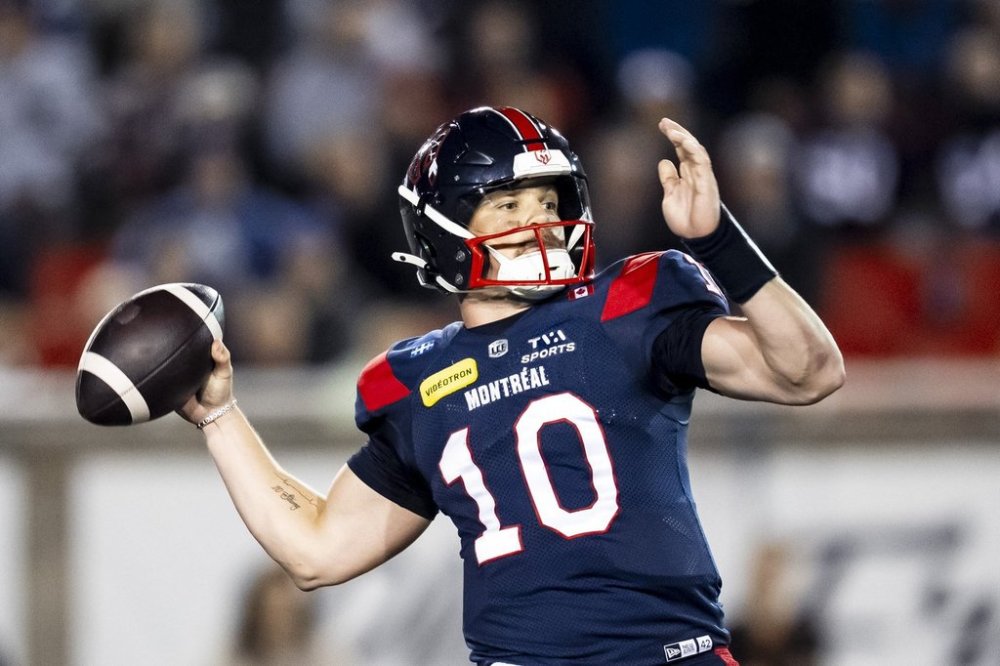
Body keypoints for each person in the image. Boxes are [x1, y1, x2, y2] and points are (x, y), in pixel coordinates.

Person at [180, 106, 845, 665]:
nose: (540, 221)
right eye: (508, 204)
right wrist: (220, 417)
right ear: (444, 228)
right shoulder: (418, 380)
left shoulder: (624, 309)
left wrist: (718, 240)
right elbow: (316, 551)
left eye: (548, 202)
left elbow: (809, 371)